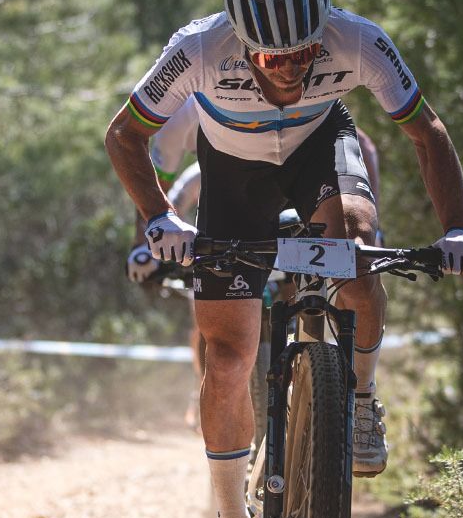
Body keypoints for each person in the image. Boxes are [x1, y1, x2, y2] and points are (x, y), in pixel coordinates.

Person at [104, 0, 463, 518]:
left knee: (359, 248)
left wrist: (457, 225)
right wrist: (159, 218)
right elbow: (123, 135)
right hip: (232, 172)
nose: (290, 68)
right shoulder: (198, 47)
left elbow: (426, 131)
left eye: (305, 52)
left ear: (322, 31)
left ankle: (360, 399)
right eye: (271, 58)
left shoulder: (357, 38)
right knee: (227, 358)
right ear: (241, 40)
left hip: (319, 148)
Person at [126, 98, 385, 434]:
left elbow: (360, 150)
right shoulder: (199, 167)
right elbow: (166, 200)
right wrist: (146, 245)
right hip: (238, 227)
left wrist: (371, 228)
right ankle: (206, 385)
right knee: (203, 308)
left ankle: (323, 384)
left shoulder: (315, 128)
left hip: (292, 216)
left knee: (316, 284)